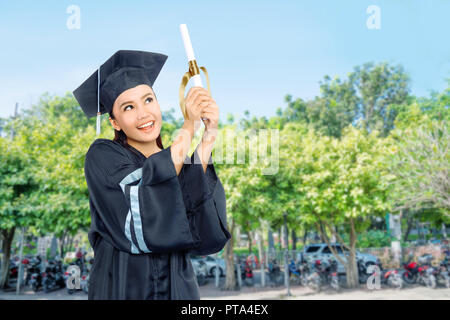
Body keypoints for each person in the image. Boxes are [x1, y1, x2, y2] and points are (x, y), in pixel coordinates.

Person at [73, 50, 231, 299]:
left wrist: (208, 135)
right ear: (115, 122)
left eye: (148, 100)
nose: (144, 114)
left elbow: (200, 227)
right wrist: (189, 126)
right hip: (123, 286)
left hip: (178, 287)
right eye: (128, 107)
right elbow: (144, 196)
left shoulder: (175, 161)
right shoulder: (102, 155)